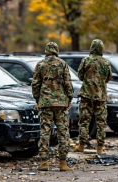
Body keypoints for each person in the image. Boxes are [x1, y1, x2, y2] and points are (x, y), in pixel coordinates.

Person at [32, 42, 74, 171]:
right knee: (63, 132)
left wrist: (37, 99)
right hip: (61, 104)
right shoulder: (62, 64)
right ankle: (62, 163)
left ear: (46, 50)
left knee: (45, 131)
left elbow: (35, 84)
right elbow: (68, 83)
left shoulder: (40, 64)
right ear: (56, 50)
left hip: (45, 103)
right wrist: (69, 98)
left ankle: (44, 162)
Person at [75, 39, 112, 154]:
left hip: (86, 95)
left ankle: (81, 145)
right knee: (101, 122)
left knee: (84, 121)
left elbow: (80, 75)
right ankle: (99, 147)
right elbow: (108, 77)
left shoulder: (86, 60)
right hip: (100, 96)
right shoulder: (105, 63)